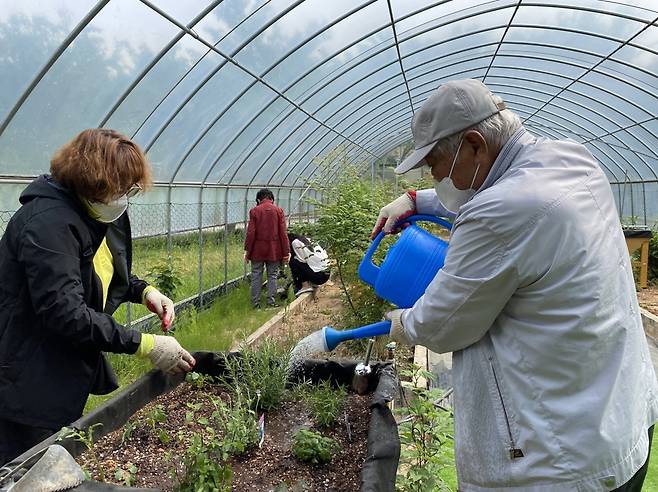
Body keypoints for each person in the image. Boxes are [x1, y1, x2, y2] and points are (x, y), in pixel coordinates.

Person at [373, 79, 658, 491]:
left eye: (434, 163)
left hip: (559, 465)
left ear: (474, 144)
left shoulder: (496, 215)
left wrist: (401, 322)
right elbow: (503, 192)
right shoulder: (572, 158)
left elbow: (441, 324)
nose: (434, 175)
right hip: (620, 423)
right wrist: (418, 200)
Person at [0, 129, 196, 466]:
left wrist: (144, 290)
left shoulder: (88, 212)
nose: (125, 198)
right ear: (93, 183)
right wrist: (147, 345)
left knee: (54, 459)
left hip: (56, 368)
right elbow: (65, 311)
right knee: (29, 470)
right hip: (28, 379)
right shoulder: (49, 224)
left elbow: (101, 269)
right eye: (121, 188)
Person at [244, 188, 290, 308]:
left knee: (256, 275)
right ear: (271, 199)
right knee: (272, 275)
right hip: (274, 251)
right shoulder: (278, 211)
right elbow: (283, 233)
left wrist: (247, 251)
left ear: (259, 200)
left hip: (257, 251)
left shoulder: (254, 211)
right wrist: (286, 252)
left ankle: (255, 304)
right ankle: (271, 302)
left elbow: (251, 233)